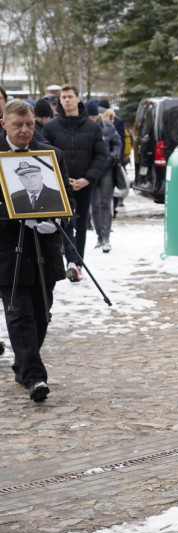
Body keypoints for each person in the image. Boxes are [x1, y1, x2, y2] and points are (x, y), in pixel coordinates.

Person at [0, 99, 74, 403]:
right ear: (4, 123)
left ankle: (23, 363)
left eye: (29, 124)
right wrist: (12, 213)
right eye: (18, 124)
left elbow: (67, 198)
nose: (25, 130)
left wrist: (57, 220)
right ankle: (35, 377)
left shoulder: (51, 156)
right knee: (19, 314)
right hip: (6, 251)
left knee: (42, 313)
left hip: (44, 248)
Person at [42, 84, 106, 283]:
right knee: (66, 222)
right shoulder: (51, 127)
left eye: (70, 96)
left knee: (82, 223)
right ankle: (71, 262)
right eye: (63, 97)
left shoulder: (92, 127)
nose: (67, 100)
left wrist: (88, 179)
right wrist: (61, 179)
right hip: (61, 184)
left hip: (84, 184)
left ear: (78, 99)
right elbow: (46, 156)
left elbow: (100, 156)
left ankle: (78, 263)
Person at [89, 106, 121, 253]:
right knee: (94, 205)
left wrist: (114, 155)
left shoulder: (107, 125)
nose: (92, 119)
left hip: (107, 169)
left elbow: (117, 142)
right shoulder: (84, 126)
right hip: (90, 171)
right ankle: (99, 236)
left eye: (93, 116)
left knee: (104, 203)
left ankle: (106, 237)